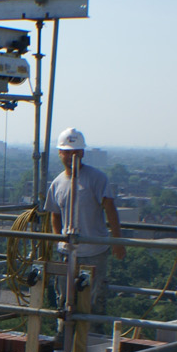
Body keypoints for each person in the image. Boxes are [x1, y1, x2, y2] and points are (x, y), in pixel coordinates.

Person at [41, 127, 124, 314]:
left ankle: (92, 340)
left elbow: (110, 209)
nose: (72, 156)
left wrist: (117, 241)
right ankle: (63, 338)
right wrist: (58, 241)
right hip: (67, 252)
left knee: (93, 301)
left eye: (77, 152)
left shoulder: (96, 179)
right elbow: (55, 214)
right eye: (68, 152)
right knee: (64, 301)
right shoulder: (57, 183)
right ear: (60, 153)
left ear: (83, 152)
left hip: (93, 251)